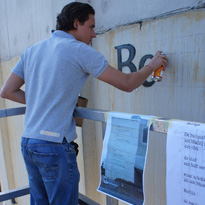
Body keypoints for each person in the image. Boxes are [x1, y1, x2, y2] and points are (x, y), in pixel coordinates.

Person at [0, 2, 168, 205]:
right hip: (53, 146)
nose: (95, 34)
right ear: (76, 23)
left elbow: (7, 91)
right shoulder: (79, 50)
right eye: (91, 26)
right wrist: (152, 65)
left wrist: (42, 102)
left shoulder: (32, 50)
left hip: (29, 142)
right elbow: (127, 83)